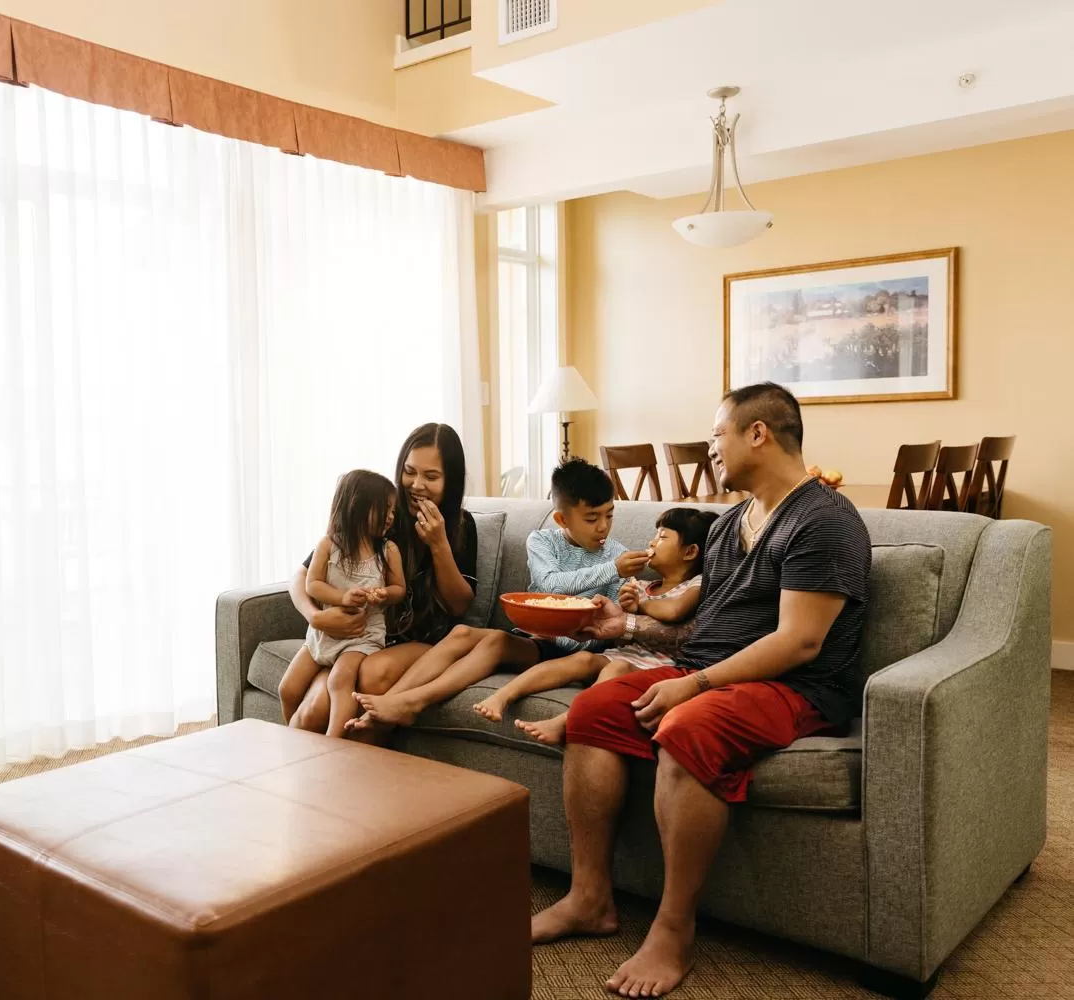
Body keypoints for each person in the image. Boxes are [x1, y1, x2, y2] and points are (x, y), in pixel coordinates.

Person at [529, 382, 871, 1000]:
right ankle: (589, 898)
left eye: (717, 433)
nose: (712, 446)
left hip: (794, 687)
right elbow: (699, 626)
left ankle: (672, 927)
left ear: (757, 433)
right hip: (708, 670)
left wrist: (695, 684)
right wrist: (628, 627)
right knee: (594, 709)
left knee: (690, 727)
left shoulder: (823, 519)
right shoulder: (729, 523)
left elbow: (799, 643)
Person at [348, 458, 650, 731]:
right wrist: (613, 568)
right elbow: (550, 586)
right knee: (463, 632)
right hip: (535, 639)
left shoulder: (619, 558)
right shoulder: (543, 542)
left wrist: (626, 601)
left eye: (609, 515)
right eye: (591, 518)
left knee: (494, 640)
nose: (603, 527)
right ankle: (392, 703)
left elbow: (608, 631)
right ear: (562, 519)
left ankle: (412, 703)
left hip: (573, 651)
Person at [285, 423, 478, 734]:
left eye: (431, 476)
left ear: (450, 480)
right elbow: (301, 575)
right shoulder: (381, 515)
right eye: (409, 471)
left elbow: (459, 605)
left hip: (420, 642)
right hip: (354, 639)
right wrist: (317, 617)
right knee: (311, 712)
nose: (416, 485)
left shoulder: (460, 525)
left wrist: (439, 543)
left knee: (372, 673)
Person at [482, 507, 719, 743]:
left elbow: (674, 610)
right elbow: (623, 635)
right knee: (582, 660)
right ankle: (502, 696)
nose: (652, 541)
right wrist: (615, 612)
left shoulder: (696, 585)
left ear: (690, 552)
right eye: (655, 535)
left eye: (662, 537)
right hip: (624, 653)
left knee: (617, 668)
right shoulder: (641, 586)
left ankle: (565, 721)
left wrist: (641, 605)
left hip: (659, 666)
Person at [277, 470, 406, 737]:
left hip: (362, 637)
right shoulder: (327, 545)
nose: (391, 516)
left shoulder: (388, 550)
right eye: (385, 509)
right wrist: (342, 598)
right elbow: (313, 584)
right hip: (323, 635)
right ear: (357, 507)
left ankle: (333, 744)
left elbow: (399, 589)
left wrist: (385, 594)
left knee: (340, 679)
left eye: (392, 510)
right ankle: (293, 741)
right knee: (287, 688)